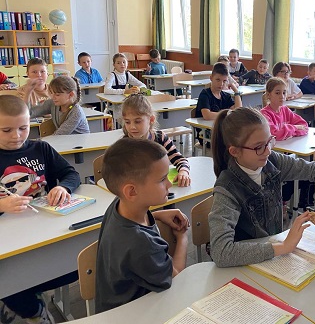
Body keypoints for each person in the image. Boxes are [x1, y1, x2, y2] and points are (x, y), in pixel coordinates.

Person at [208, 107, 315, 267]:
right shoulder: (227, 189)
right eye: (259, 147)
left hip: (274, 256)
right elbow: (221, 252)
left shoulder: (272, 161)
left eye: (269, 141)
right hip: (245, 266)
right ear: (235, 151)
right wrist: (283, 247)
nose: (267, 151)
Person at [0, 95, 81, 323]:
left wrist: (63, 187)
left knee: (73, 267)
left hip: (45, 232)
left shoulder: (41, 149)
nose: (16, 136)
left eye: (23, 128)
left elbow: (71, 174)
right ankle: (33, 310)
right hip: (9, 242)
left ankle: (22, 296)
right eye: (6, 130)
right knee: (8, 282)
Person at [95, 138, 189, 313]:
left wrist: (158, 215)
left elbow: (132, 227)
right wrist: (183, 236)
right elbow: (176, 276)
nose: (169, 184)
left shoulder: (119, 204)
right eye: (162, 179)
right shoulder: (141, 243)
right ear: (132, 191)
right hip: (132, 315)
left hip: (116, 307)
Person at [121, 94, 191, 186]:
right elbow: (121, 174)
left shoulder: (160, 138)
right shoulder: (124, 145)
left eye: (138, 121)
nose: (132, 127)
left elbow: (180, 160)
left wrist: (183, 172)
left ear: (151, 119)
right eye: (127, 122)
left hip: (159, 188)